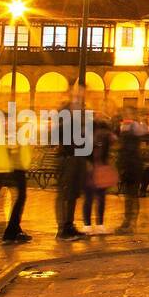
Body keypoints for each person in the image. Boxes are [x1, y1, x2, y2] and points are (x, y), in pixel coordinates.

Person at [0, 112, 31, 245]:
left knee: (18, 199)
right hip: (4, 170)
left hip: (14, 169)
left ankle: (14, 229)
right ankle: (9, 233)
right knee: (15, 199)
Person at [54, 93, 87, 242]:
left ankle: (69, 224)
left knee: (73, 193)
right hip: (67, 158)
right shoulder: (64, 122)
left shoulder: (78, 122)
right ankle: (63, 228)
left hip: (76, 158)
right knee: (65, 193)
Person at [82, 114, 116, 233]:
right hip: (101, 167)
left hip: (89, 168)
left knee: (88, 198)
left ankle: (87, 225)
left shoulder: (86, 134)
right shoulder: (107, 134)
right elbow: (114, 140)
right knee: (100, 197)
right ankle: (100, 224)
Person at [115, 115, 145, 234]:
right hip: (132, 168)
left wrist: (121, 167)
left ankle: (130, 224)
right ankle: (129, 223)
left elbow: (126, 154)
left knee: (131, 196)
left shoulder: (129, 138)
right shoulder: (130, 137)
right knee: (131, 196)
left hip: (131, 168)